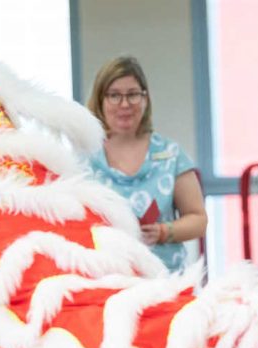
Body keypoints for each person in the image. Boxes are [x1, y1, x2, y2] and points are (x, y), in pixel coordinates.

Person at [86, 56, 207, 273]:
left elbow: (198, 219)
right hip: (106, 278)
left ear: (145, 99)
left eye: (133, 95)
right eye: (114, 96)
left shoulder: (170, 155)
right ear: (100, 100)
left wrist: (164, 231)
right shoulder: (82, 159)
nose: (125, 104)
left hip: (166, 280)